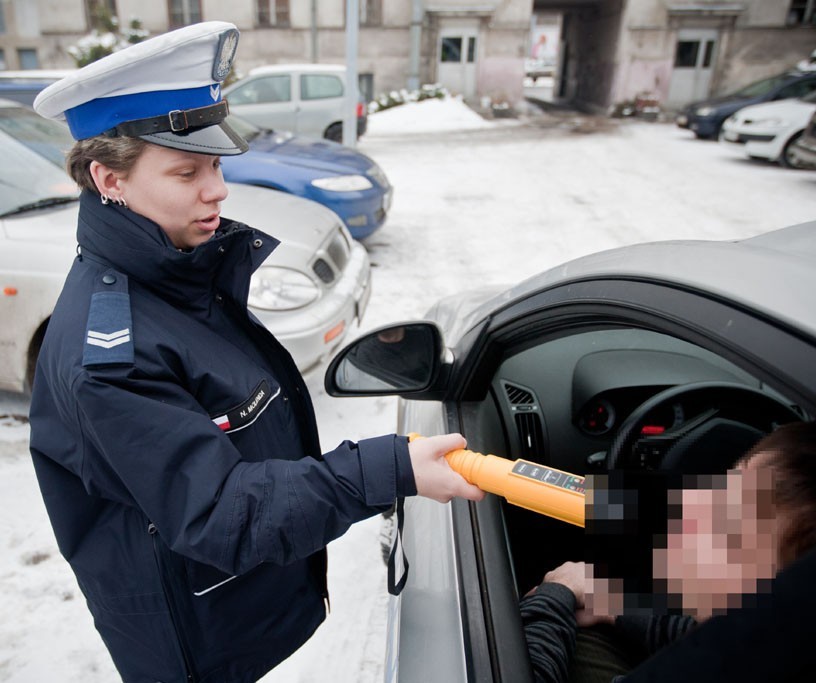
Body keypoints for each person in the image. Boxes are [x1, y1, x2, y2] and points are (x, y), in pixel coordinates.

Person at [28, 22, 483, 683]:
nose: (216, 190)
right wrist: (385, 470)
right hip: (195, 643)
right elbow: (218, 509)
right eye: (187, 171)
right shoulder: (112, 354)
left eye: (215, 165)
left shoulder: (177, 274)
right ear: (109, 179)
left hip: (232, 604)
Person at [520, 421, 816, 682]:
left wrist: (552, 598)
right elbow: (703, 634)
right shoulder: (754, 649)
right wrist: (612, 604)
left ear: (781, 610)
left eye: (728, 532)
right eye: (723, 485)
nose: (692, 503)